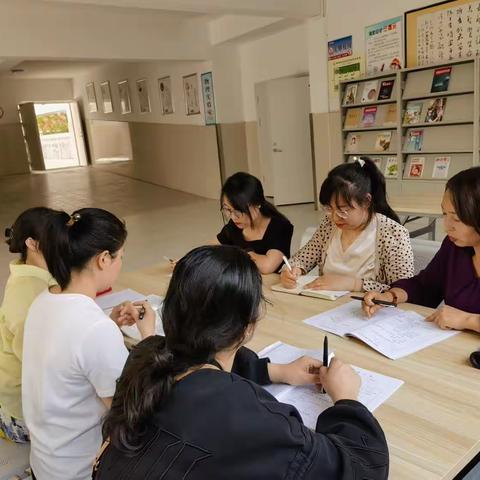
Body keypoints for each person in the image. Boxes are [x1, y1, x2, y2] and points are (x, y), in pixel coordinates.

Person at [93, 245, 389, 480]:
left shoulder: (145, 356)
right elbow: (358, 469)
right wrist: (348, 400)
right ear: (248, 326)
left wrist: (278, 371)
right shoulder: (248, 413)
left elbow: (208, 367)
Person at [22, 208, 156, 480]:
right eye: (121, 257)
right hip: (81, 471)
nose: (121, 264)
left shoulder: (42, 301)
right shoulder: (94, 329)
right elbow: (132, 415)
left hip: (45, 464)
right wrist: (151, 339)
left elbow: (70, 349)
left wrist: (110, 324)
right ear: (104, 259)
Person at [363, 167, 480, 333]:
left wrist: (469, 320)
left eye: (456, 218)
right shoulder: (455, 246)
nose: (446, 227)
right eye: (444, 214)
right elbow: (425, 286)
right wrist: (389, 296)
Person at [280, 157, 413, 292]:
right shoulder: (329, 226)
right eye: (329, 209)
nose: (335, 217)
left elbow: (403, 291)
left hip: (367, 309)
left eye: (343, 210)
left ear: (366, 201)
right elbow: (302, 258)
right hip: (325, 307)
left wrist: (354, 284)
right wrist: (293, 270)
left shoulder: (392, 233)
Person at [0, 207, 59, 443]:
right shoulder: (31, 294)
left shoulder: (32, 277)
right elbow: (45, 368)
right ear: (32, 244)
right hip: (21, 417)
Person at [215, 172, 293, 274]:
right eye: (227, 210)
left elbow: (267, 267)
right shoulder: (234, 226)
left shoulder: (280, 227)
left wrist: (234, 254)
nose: (233, 217)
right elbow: (209, 251)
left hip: (272, 286)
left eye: (239, 211)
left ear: (257, 203)